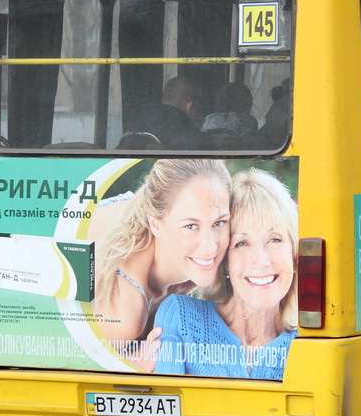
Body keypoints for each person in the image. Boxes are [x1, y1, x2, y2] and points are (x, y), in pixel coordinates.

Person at [153, 168, 298, 380]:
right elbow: (165, 405)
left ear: (293, 253)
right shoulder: (181, 316)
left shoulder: (308, 344)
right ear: (225, 262)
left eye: (275, 239)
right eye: (242, 243)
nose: (261, 261)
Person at [92, 159, 233, 366]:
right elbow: (60, 358)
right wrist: (132, 365)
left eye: (219, 223)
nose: (210, 246)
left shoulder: (197, 261)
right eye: (191, 226)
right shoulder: (126, 313)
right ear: (155, 224)